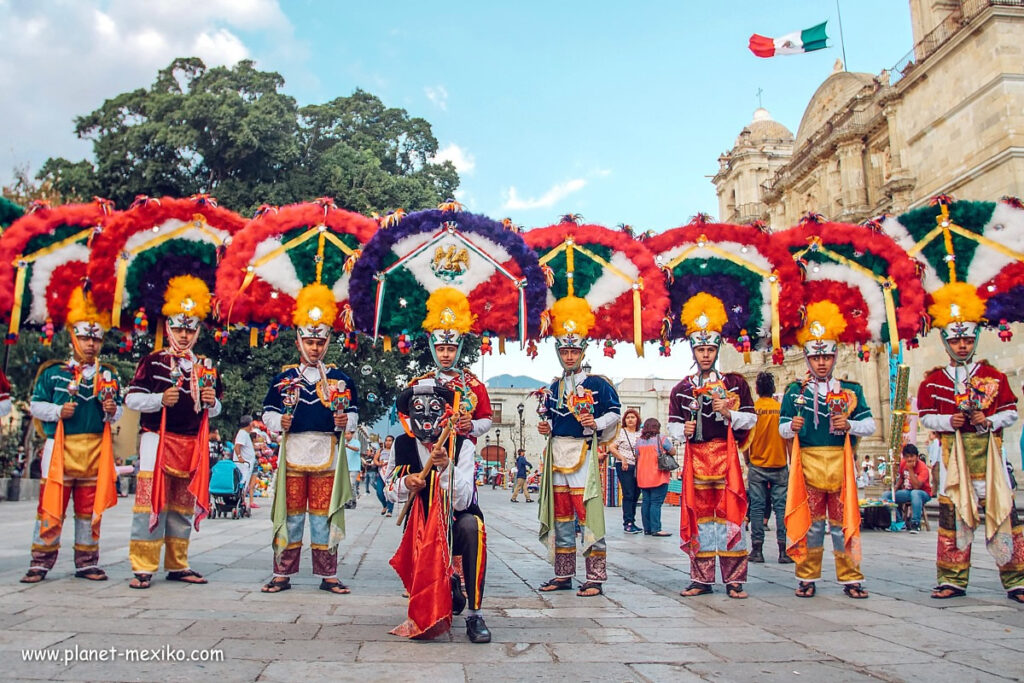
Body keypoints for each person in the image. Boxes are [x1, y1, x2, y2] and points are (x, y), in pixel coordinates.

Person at [916, 282, 1024, 602]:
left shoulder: (994, 377)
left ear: (974, 340)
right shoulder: (934, 381)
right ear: (946, 342)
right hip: (955, 461)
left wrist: (987, 420)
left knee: (1004, 517)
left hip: (990, 458)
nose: (962, 345)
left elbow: (1010, 412)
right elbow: (925, 416)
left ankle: (1017, 579)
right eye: (956, 340)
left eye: (967, 339)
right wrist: (950, 421)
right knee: (953, 522)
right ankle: (952, 578)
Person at [261, 284, 359, 596]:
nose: (314, 347)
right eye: (309, 341)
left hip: (326, 453)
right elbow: (266, 413)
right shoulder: (284, 380)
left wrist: (347, 421)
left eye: (319, 341)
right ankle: (282, 572)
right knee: (290, 517)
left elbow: (355, 413)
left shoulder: (341, 380)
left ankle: (328, 574)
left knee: (322, 517)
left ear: (327, 342)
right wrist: (280, 421)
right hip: (292, 451)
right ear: (298, 341)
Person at [126, 275, 222, 589]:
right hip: (157, 439)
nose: (183, 335)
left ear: (197, 332)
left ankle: (178, 563)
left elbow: (217, 408)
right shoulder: (153, 362)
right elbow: (131, 398)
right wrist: (158, 399)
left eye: (189, 329)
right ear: (169, 328)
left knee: (182, 504)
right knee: (150, 502)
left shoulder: (205, 366)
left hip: (190, 443)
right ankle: (143, 565)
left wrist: (212, 401)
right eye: (178, 328)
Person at [21, 287, 122, 584]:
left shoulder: (110, 375)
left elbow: (117, 414)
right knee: (51, 507)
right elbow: (35, 405)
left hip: (94, 449)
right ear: (73, 338)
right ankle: (40, 561)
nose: (90, 344)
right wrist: (56, 411)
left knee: (89, 512)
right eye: (85, 338)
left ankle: (87, 561)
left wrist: (110, 409)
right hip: (60, 449)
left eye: (95, 339)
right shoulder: (53, 373)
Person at [780, 301, 875, 600]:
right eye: (816, 356)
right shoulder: (795, 391)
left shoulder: (851, 391)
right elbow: (782, 428)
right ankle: (806, 577)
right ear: (807, 359)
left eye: (826, 356)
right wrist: (792, 426)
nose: (821, 362)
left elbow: (869, 424)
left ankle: (851, 577)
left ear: (834, 357)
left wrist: (849, 424)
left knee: (842, 523)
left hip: (839, 463)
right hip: (807, 463)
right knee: (812, 526)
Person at [385, 384, 491, 643]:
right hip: (419, 524)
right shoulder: (400, 445)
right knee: (419, 535)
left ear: (445, 414)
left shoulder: (462, 445)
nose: (426, 417)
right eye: (418, 410)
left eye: (434, 409)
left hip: (454, 521)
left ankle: (474, 614)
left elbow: (464, 500)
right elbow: (389, 488)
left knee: (473, 526)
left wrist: (447, 469)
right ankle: (442, 594)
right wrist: (406, 483)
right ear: (409, 416)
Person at [669, 293, 755, 600]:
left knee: (731, 516)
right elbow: (673, 426)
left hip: (726, 457)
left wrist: (728, 411)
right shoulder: (682, 388)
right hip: (698, 460)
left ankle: (734, 579)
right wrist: (685, 429)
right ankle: (701, 578)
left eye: (710, 349)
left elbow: (751, 420)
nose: (705, 354)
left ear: (717, 350)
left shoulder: (735, 384)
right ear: (693, 351)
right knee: (701, 519)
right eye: (700, 349)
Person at [537, 296, 620, 598]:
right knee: (561, 517)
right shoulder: (553, 387)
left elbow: (615, 412)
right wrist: (544, 427)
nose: (569, 356)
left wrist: (595, 423)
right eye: (565, 350)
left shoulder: (599, 384)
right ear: (559, 353)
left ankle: (595, 577)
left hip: (584, 453)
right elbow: (547, 418)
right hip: (557, 454)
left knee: (587, 516)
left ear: (583, 351)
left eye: (574, 350)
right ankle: (563, 574)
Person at [406, 287, 493, 445]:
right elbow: (406, 415)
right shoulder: (420, 384)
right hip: (428, 452)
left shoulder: (474, 385)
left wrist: (472, 425)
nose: (445, 355)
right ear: (433, 350)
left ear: (458, 350)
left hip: (462, 451)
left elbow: (486, 419)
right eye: (440, 349)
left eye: (451, 349)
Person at [746, 372, 793, 564]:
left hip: (757, 465)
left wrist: (747, 460)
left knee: (757, 508)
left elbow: (745, 440)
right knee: (781, 509)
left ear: (756, 389)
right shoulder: (780, 409)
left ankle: (757, 550)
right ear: (773, 389)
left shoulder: (753, 410)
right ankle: (783, 551)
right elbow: (788, 437)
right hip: (779, 464)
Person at [634, 418, 675, 536]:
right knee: (656, 503)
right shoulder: (661, 439)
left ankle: (647, 528)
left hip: (643, 476)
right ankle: (656, 528)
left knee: (646, 502)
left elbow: (637, 456)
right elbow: (672, 451)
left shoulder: (639, 441)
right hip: (658, 475)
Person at [881, 444, 932, 533]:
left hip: (923, 493)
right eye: (907, 457)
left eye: (912, 456)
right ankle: (899, 521)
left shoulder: (923, 468)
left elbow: (917, 486)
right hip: (908, 492)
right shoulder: (903, 463)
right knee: (885, 496)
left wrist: (910, 469)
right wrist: (895, 488)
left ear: (917, 457)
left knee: (915, 493)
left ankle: (915, 523)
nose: (909, 459)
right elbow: (901, 477)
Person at [608, 408, 642, 534]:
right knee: (628, 493)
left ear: (637, 419)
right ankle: (627, 522)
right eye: (628, 418)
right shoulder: (621, 432)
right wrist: (622, 458)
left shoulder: (641, 433)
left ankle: (632, 520)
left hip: (638, 466)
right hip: (624, 466)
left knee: (636, 493)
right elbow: (611, 447)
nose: (630, 420)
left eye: (633, 417)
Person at [234, 415, 258, 510]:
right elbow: (237, 446)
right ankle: (241, 501)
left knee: (244, 483)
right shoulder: (242, 433)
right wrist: (240, 457)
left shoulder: (245, 434)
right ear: (249, 424)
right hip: (243, 465)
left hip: (247, 465)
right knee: (242, 483)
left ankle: (242, 501)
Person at [373, 435, 394, 516]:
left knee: (390, 492)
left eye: (390, 440)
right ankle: (385, 505)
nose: (388, 442)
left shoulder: (394, 450)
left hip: (391, 475)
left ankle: (390, 510)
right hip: (381, 474)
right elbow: (375, 459)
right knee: (379, 492)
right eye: (386, 440)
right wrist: (379, 463)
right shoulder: (380, 450)